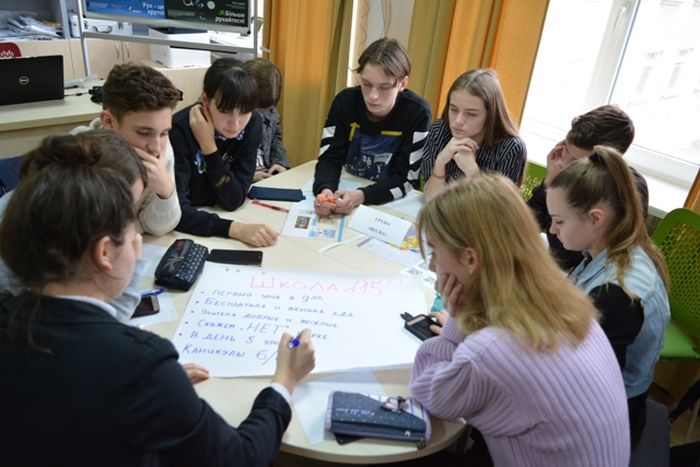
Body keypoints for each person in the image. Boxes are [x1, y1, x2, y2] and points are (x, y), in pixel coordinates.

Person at [0, 132, 315, 466]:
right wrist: (284, 381)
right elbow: (241, 457)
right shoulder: (142, 364)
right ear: (105, 252)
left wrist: (158, 386)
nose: (139, 241)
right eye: (132, 231)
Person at [410, 174, 630, 466]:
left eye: (436, 252)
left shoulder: (490, 351)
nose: (432, 265)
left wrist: (456, 318)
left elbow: (428, 392)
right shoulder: (568, 303)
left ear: (470, 259)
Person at [547, 145, 670, 447]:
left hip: (602, 424)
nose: (552, 229)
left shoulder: (616, 295)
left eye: (559, 221)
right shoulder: (613, 249)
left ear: (595, 218)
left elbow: (580, 385)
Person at [312, 37, 431, 217]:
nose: (373, 96)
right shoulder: (345, 101)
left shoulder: (417, 112)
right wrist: (325, 191)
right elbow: (329, 158)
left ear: (402, 84)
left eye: (384, 87)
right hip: (346, 184)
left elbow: (406, 179)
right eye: (366, 84)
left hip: (386, 202)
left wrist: (361, 196)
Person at [171, 57, 278, 247]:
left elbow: (234, 199)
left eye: (244, 112)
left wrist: (209, 148)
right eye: (225, 111)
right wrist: (235, 230)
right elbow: (175, 212)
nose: (235, 124)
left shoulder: (252, 123)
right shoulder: (177, 130)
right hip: (186, 232)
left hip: (218, 217)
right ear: (205, 100)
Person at [527, 104, 648, 270]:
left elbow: (564, 257)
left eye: (576, 161)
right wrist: (549, 182)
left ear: (604, 160)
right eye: (566, 149)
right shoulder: (565, 170)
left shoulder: (625, 190)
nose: (564, 161)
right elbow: (524, 227)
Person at [71, 62, 182, 236]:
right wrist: (138, 225)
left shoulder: (160, 148)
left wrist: (166, 191)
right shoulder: (75, 154)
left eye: (164, 132)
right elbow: (87, 233)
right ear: (108, 121)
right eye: (144, 132)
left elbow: (158, 228)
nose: (156, 148)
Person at [420, 69, 526, 200]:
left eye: (471, 114)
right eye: (453, 109)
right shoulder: (439, 130)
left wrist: (473, 174)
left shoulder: (511, 147)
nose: (458, 121)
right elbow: (430, 198)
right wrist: (440, 163)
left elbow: (496, 209)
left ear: (490, 115)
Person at [244, 57, 290, 182]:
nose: (261, 112)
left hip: (267, 173)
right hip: (240, 180)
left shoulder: (272, 112)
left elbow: (275, 140)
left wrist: (280, 163)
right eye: (257, 107)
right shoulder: (228, 117)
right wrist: (246, 177)